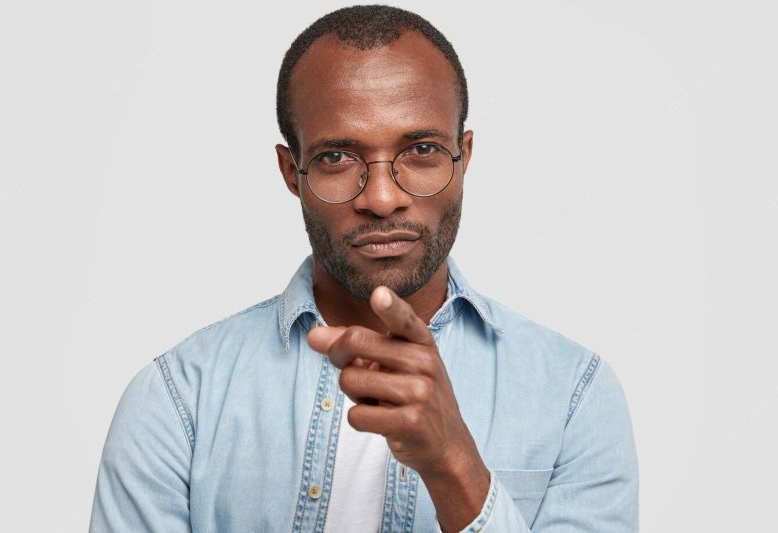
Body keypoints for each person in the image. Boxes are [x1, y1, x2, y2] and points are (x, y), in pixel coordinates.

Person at [90, 5, 638, 532]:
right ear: (290, 171)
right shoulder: (179, 398)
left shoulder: (573, 396)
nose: (381, 198)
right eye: (336, 157)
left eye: (421, 149)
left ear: (463, 156)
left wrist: (453, 465)